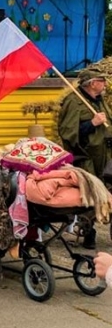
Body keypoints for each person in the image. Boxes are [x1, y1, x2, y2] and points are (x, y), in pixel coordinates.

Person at [57, 68, 112, 249]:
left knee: (109, 192)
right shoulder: (73, 102)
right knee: (91, 195)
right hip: (86, 157)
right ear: (91, 83)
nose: (104, 83)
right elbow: (67, 133)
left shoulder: (99, 101)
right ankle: (88, 231)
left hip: (105, 154)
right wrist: (91, 124)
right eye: (101, 80)